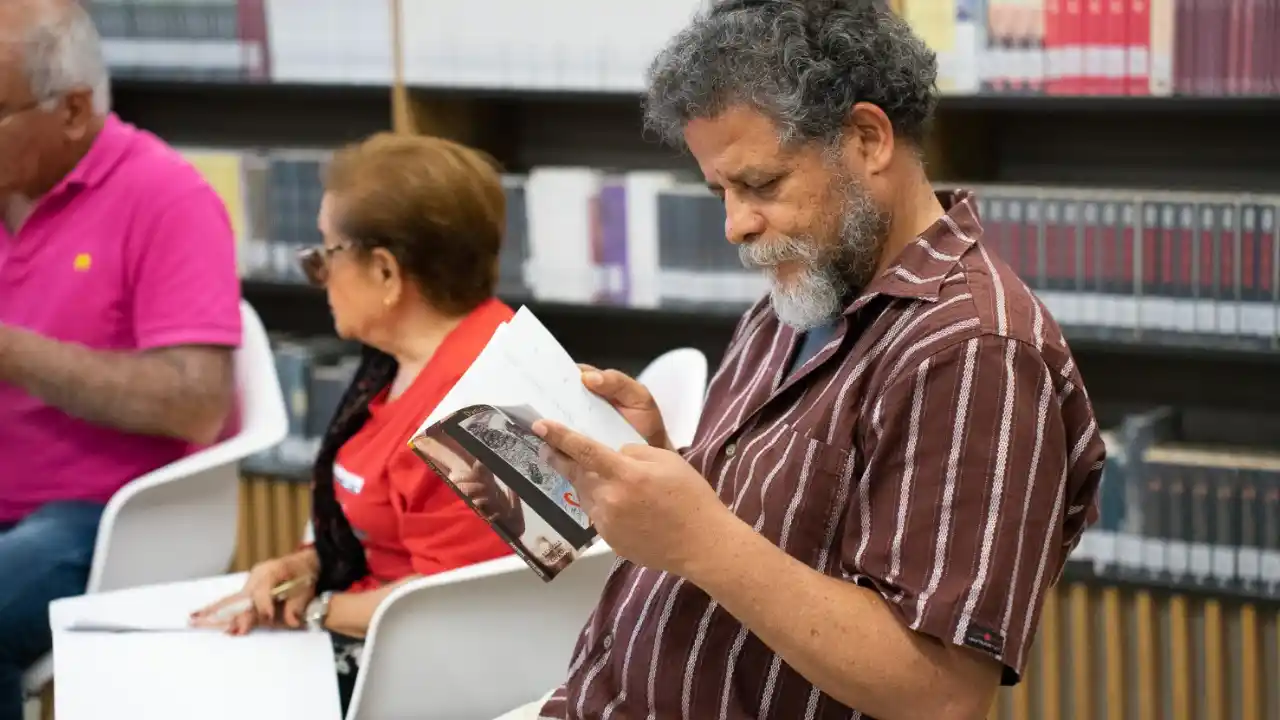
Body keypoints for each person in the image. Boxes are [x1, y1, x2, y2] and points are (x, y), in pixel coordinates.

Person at [505, 2, 1107, 719]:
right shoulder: (804, 287)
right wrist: (662, 461)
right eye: (720, 191)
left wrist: (699, 538)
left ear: (866, 138)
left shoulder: (976, 351)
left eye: (761, 184)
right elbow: (792, 525)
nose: (736, 225)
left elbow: (942, 692)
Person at [191, 132, 516, 713]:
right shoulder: (411, 359)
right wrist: (307, 565)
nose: (315, 274)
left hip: (419, 677)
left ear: (387, 274)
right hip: (381, 635)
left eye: (325, 255)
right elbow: (383, 525)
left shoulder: (471, 411)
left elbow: (455, 607)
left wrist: (317, 609)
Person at [0, 2, 241, 718]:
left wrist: (10, 351)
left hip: (107, 517)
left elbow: (194, 401)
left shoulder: (168, 199)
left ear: (73, 110)